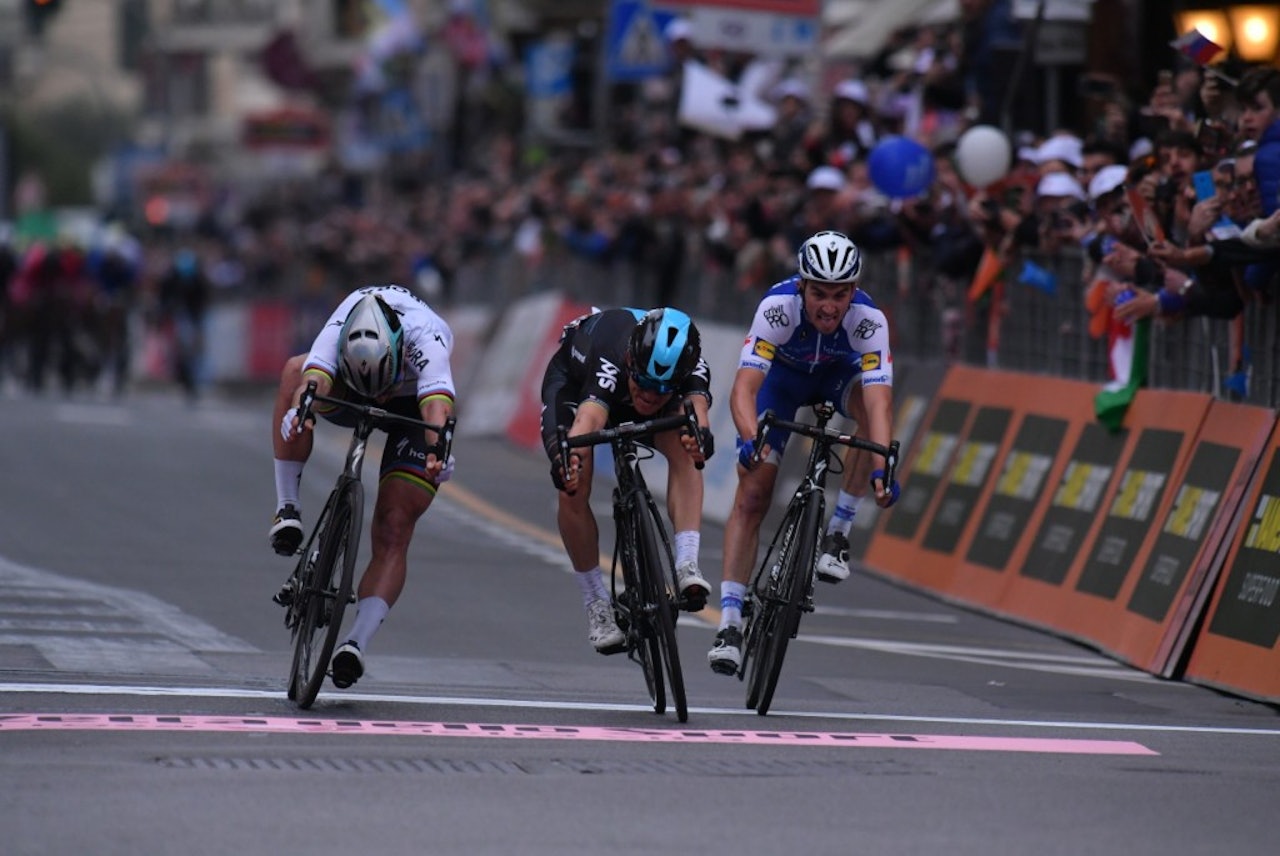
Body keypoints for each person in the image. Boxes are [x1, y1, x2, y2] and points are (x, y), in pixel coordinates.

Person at [708, 230, 900, 675]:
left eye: (839, 295)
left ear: (853, 291)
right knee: (753, 492)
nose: (828, 306)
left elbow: (879, 400)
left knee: (870, 427)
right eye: (818, 294)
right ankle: (731, 622)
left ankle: (838, 532)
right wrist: (752, 439)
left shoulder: (869, 319)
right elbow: (744, 388)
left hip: (838, 378)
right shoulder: (777, 309)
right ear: (801, 286)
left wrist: (882, 465)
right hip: (782, 382)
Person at [269, 285, 456, 689]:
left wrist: (438, 450)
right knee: (291, 371)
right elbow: (312, 381)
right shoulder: (341, 324)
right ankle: (287, 507)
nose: (380, 396)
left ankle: (355, 642)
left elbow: (437, 409)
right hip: (349, 385)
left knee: (394, 526)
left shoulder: (428, 337)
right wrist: (299, 413)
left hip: (411, 405)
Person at [541, 307, 713, 654]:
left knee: (686, 444)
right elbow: (588, 419)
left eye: (662, 390)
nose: (649, 397)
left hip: (633, 385)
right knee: (574, 479)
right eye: (644, 384)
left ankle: (687, 563)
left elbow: (698, 414)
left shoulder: (692, 366)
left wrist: (700, 439)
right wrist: (569, 458)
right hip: (579, 387)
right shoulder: (611, 356)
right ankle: (596, 604)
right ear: (631, 361)